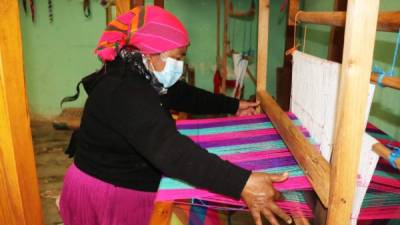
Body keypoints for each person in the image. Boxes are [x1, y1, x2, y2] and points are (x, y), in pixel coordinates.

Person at [59, 5, 292, 225]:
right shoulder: (126, 90)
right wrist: (242, 183)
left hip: (121, 182)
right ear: (151, 54)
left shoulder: (138, 74)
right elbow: (171, 152)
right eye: (178, 57)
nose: (180, 64)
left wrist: (232, 105)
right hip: (106, 194)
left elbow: (182, 94)